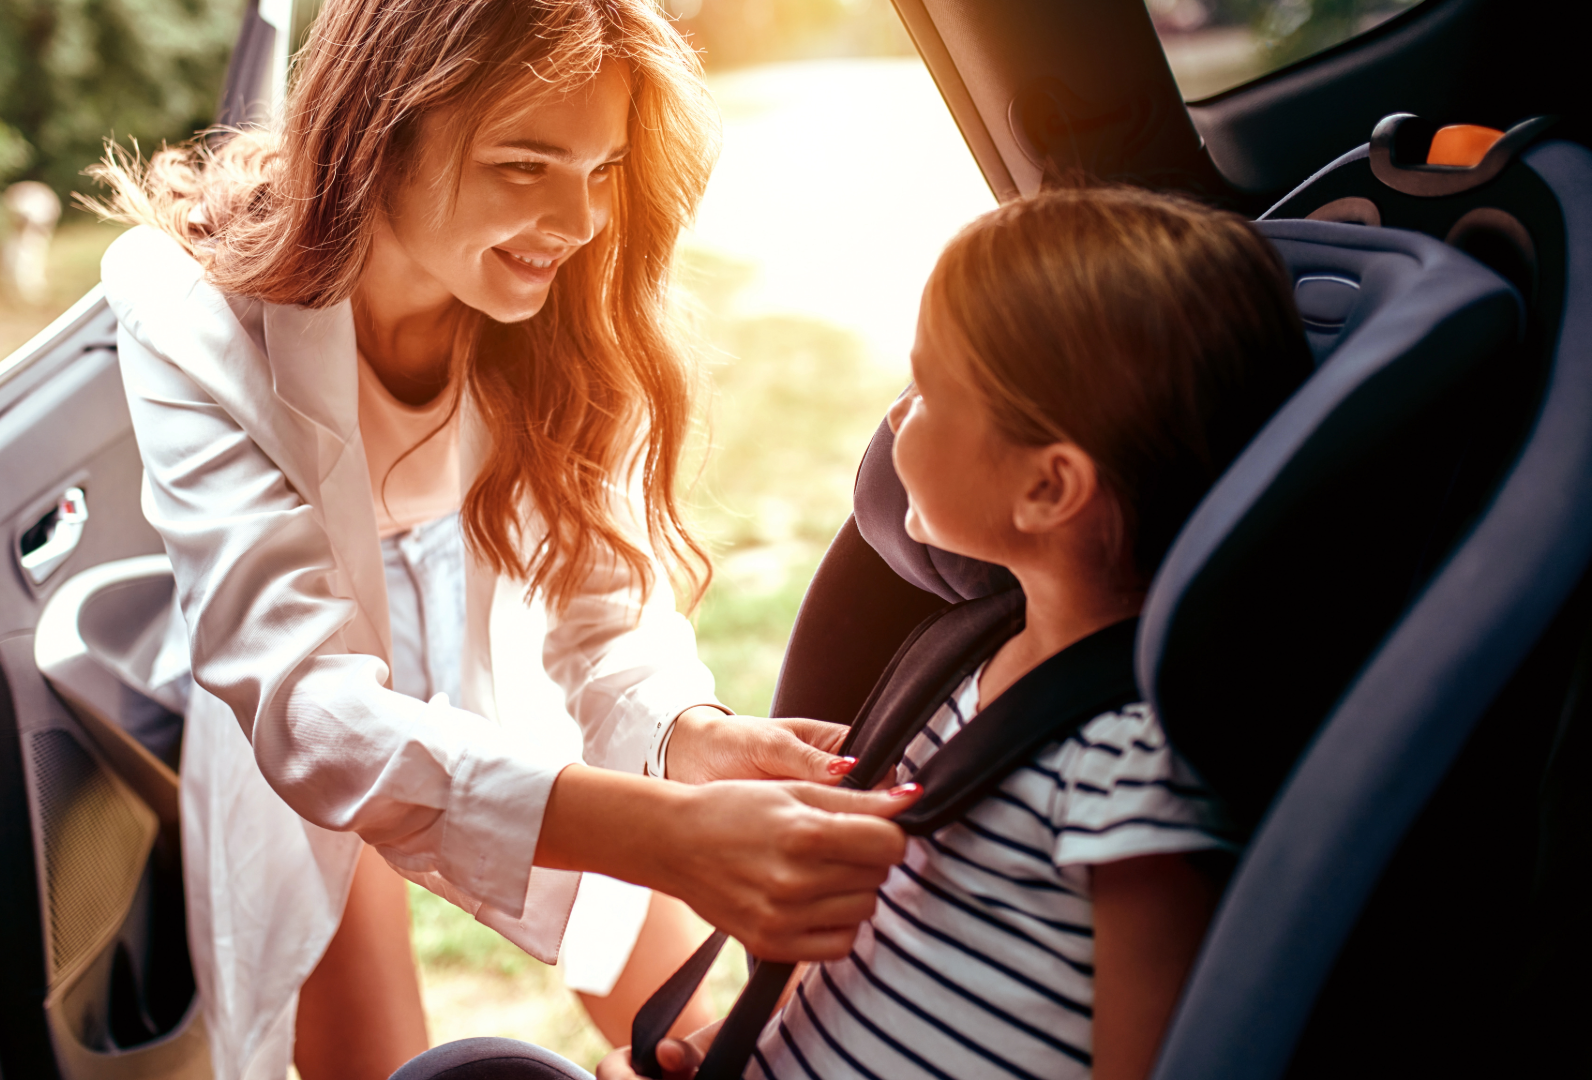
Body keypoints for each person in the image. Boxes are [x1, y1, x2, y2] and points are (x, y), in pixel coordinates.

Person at [90, 2, 922, 1078]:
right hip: (303, 664)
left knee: (687, 1031)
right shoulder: (187, 310)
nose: (578, 219)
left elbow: (605, 604)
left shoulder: (579, 303)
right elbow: (307, 708)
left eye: (601, 167)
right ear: (380, 133)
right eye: (526, 164)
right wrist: (666, 834)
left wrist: (684, 736)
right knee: (368, 1046)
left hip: (494, 600)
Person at [392, 186, 1314, 1080]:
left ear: (1047, 488)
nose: (895, 416)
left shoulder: (1132, 773)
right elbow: (886, 957)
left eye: (924, 387)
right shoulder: (965, 661)